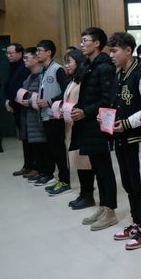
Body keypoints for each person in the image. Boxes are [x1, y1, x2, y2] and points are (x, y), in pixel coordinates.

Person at [107, 32, 141, 250]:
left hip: (136, 137)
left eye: (114, 51)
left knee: (140, 183)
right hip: (121, 137)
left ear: (128, 50)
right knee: (128, 183)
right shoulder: (119, 74)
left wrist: (127, 123)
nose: (111, 55)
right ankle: (135, 222)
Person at [71, 27, 118, 231]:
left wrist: (85, 112)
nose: (82, 44)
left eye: (85, 41)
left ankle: (111, 211)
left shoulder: (104, 67)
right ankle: (103, 206)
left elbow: (106, 100)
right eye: (81, 41)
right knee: (97, 169)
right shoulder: (89, 66)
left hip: (98, 124)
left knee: (104, 169)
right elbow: (87, 95)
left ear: (97, 43)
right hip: (88, 124)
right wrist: (77, 109)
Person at [50, 49, 94, 202]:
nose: (66, 65)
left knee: (84, 161)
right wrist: (63, 108)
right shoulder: (72, 80)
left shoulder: (84, 80)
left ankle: (88, 194)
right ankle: (83, 193)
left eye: (69, 62)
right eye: (65, 62)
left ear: (79, 62)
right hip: (71, 124)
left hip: (82, 124)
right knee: (78, 160)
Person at [35, 40, 70, 187]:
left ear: (49, 52)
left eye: (39, 50)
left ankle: (64, 180)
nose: (37, 53)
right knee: (52, 149)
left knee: (59, 149)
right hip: (45, 115)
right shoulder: (43, 70)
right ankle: (56, 177)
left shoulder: (58, 69)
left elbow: (66, 92)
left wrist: (49, 102)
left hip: (55, 116)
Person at [20, 48, 52, 182]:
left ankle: (45, 171)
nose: (24, 61)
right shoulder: (29, 76)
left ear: (35, 59)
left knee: (43, 145)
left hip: (40, 116)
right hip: (30, 116)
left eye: (27, 58)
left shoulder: (42, 75)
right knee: (35, 145)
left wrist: (29, 101)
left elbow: (44, 95)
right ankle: (39, 169)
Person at [4, 43, 32, 176]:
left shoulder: (24, 67)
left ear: (20, 53)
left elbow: (21, 89)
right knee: (23, 137)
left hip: (24, 107)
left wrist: (11, 102)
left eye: (11, 53)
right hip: (15, 107)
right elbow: (8, 85)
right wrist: (7, 100)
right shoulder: (12, 67)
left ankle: (31, 166)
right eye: (7, 53)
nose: (8, 56)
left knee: (28, 138)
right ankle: (27, 165)